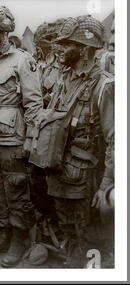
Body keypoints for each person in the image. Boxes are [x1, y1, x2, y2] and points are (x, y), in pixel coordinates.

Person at [43, 15, 114, 266]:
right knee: (67, 229)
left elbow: (115, 141)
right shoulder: (65, 79)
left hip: (86, 180)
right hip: (60, 172)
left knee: (88, 236)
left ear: (84, 50)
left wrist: (105, 185)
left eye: (67, 44)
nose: (60, 49)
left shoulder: (104, 86)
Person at [0, 6, 42, 267]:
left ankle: (19, 237)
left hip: (13, 138)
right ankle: (2, 232)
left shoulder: (23, 61)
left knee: (15, 189)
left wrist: (31, 139)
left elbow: (34, 104)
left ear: (3, 33)